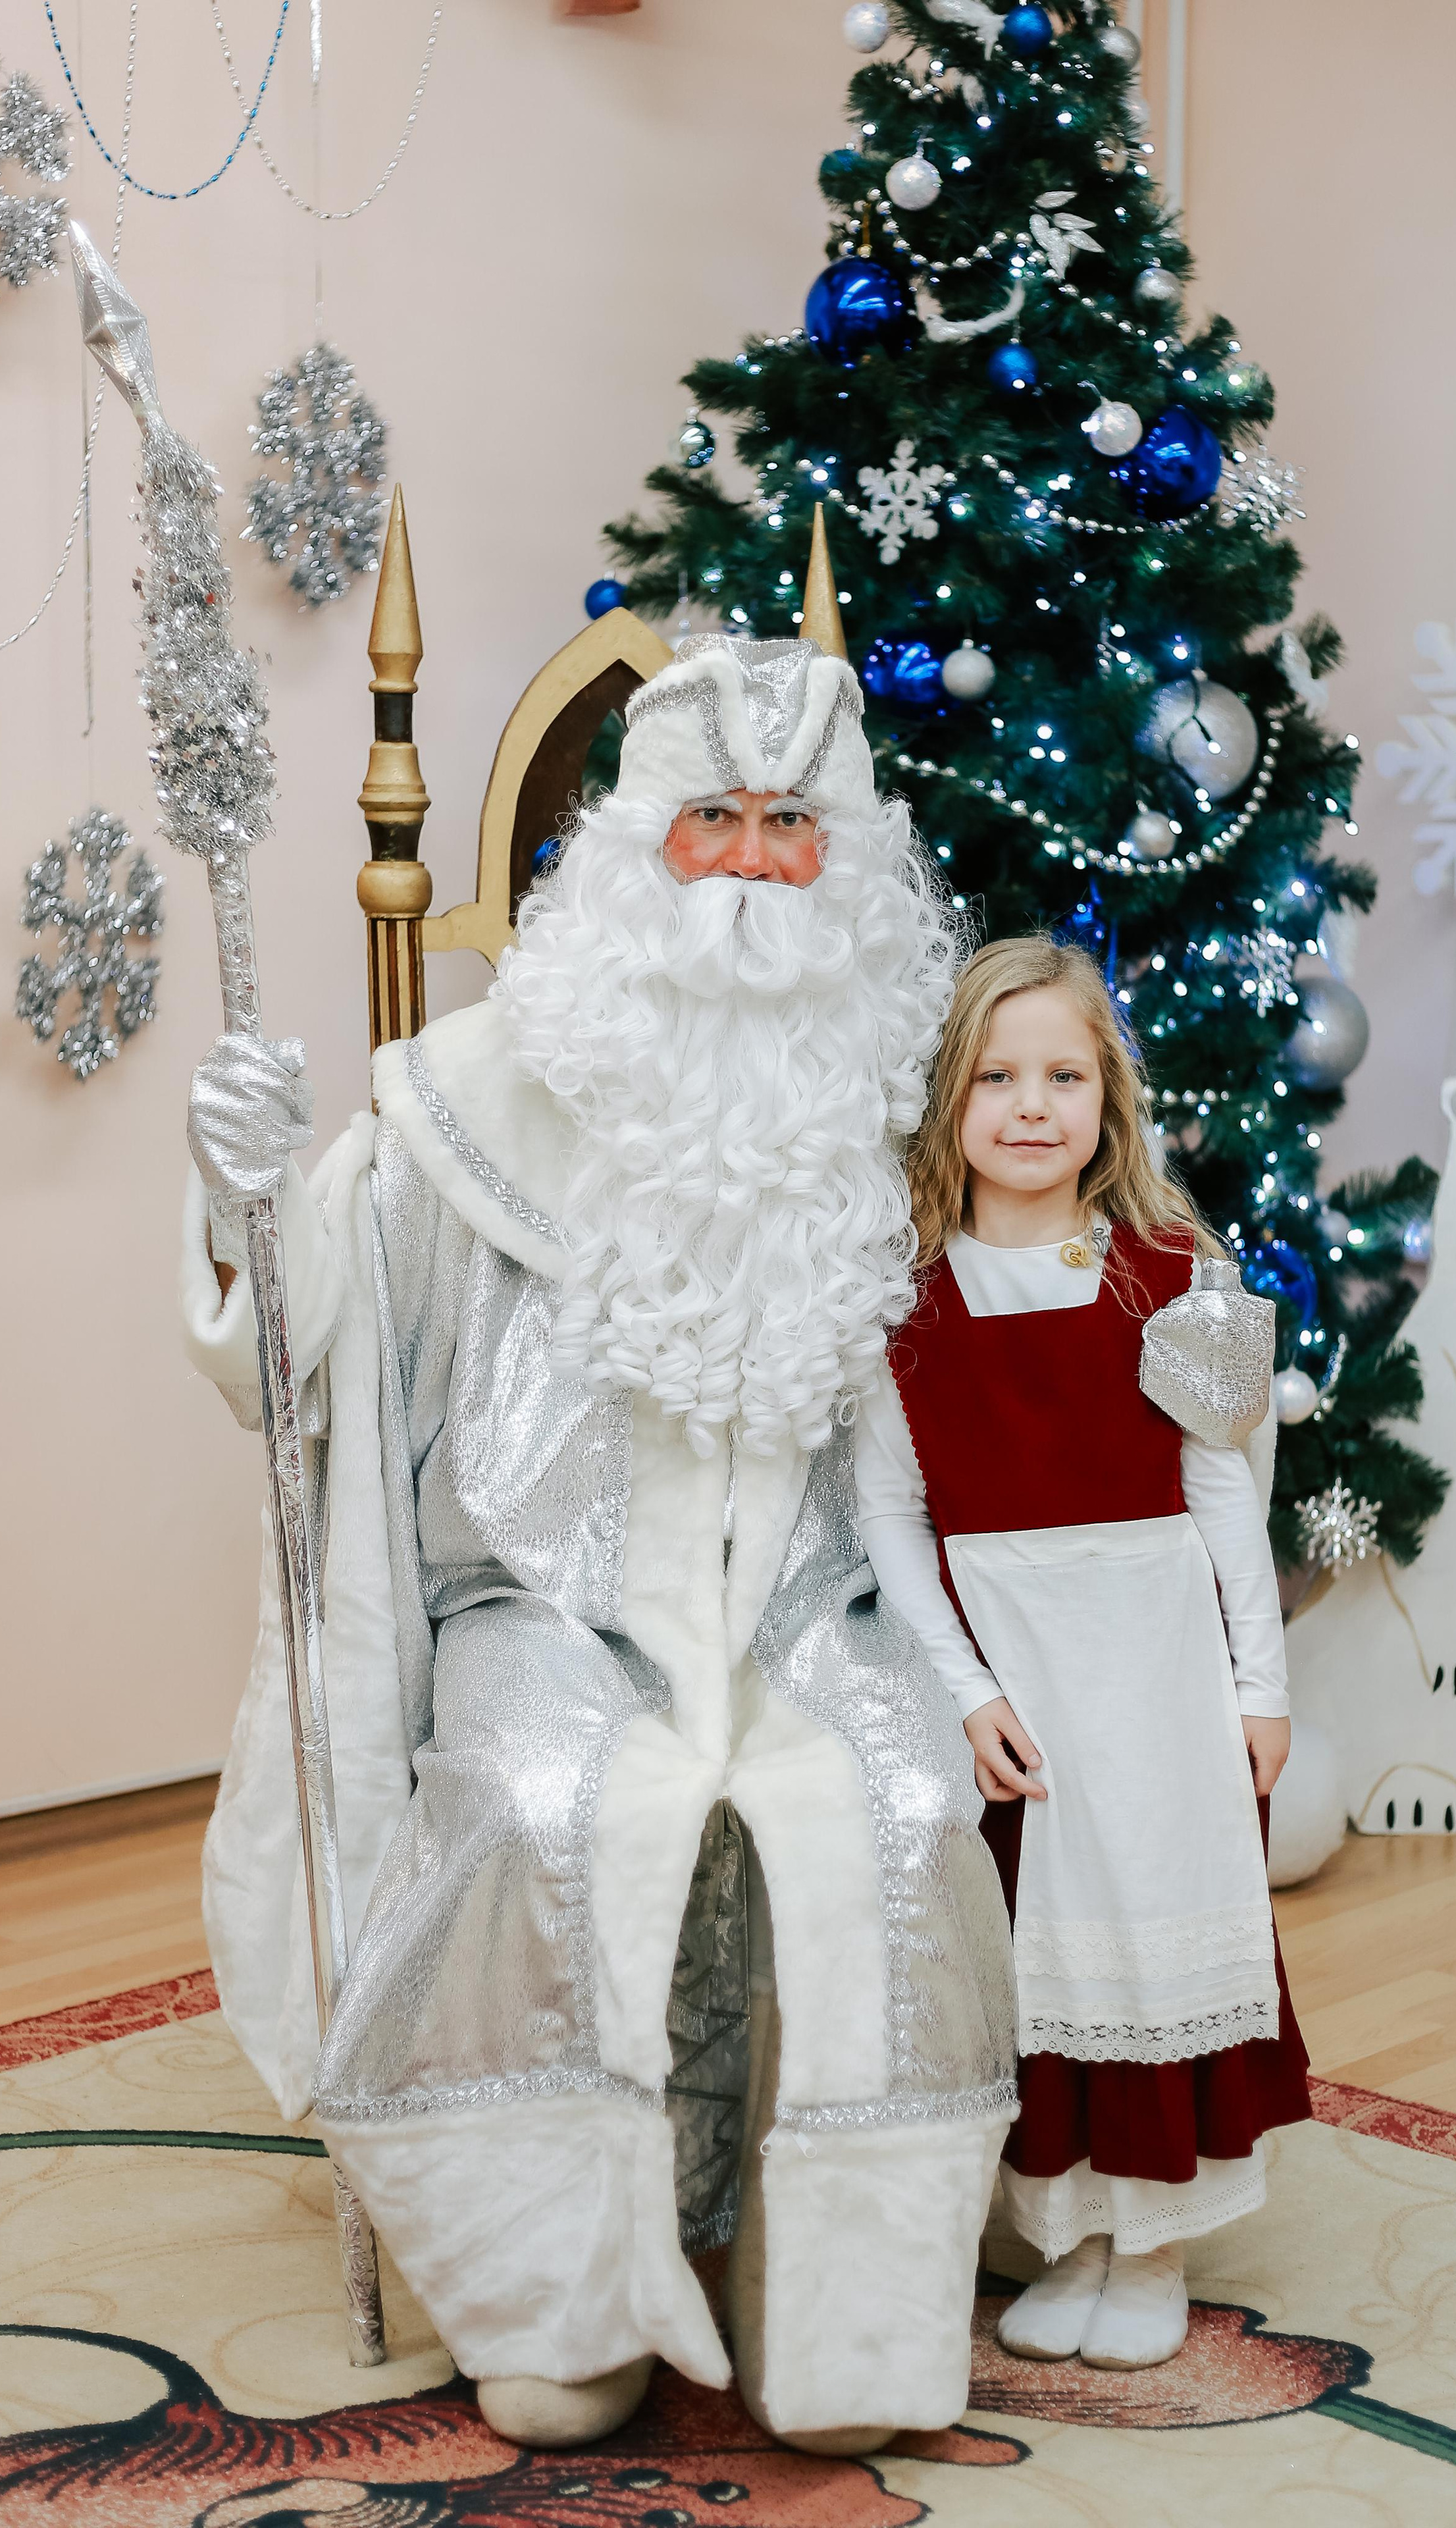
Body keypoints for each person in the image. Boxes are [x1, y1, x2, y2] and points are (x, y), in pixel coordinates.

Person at [179, 626, 1017, 2453]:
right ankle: (556, 2297)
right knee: (541, 1804)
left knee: (895, 1804)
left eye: (791, 823)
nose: (752, 864)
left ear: (845, 858)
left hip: (806, 1606)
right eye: (714, 817)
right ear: (642, 844)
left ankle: (838, 2304)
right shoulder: (465, 1097)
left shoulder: (891, 1101)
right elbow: (303, 1354)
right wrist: (241, 1199)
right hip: (535, 1600)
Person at [854, 935, 1311, 2371]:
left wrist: (1260, 1686)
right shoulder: (898, 1296)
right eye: (997, 1078)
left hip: (1159, 1668)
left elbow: (1224, 1490)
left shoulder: (1178, 1274)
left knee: (1158, 1938)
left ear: (1107, 1098)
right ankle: (1067, 2236)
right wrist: (966, 1691)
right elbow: (891, 1517)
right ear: (950, 1098)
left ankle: (1154, 2242)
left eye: (1063, 1076)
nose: (1031, 1106)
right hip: (1019, 1681)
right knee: (1045, 1958)